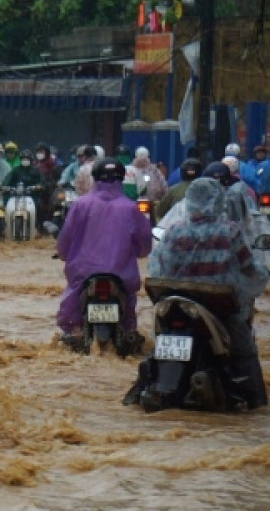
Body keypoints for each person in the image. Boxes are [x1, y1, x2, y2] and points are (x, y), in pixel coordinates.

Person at [145, 177, 268, 408]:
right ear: (218, 201)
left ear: (189, 201)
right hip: (218, 306)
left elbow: (156, 266)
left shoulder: (174, 231)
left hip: (175, 304)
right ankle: (256, 401)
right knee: (244, 350)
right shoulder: (230, 231)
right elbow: (249, 268)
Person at [55, 157, 152, 348]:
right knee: (129, 319)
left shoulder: (80, 205)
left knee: (72, 321)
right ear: (122, 178)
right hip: (122, 275)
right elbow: (144, 244)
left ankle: (75, 331)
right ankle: (127, 330)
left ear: (95, 178)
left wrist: (64, 254)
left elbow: (65, 238)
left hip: (83, 273)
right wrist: (140, 252)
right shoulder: (131, 208)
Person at [155, 157, 202, 222]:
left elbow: (159, 212)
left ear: (182, 172)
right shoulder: (207, 190)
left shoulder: (173, 190)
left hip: (176, 227)